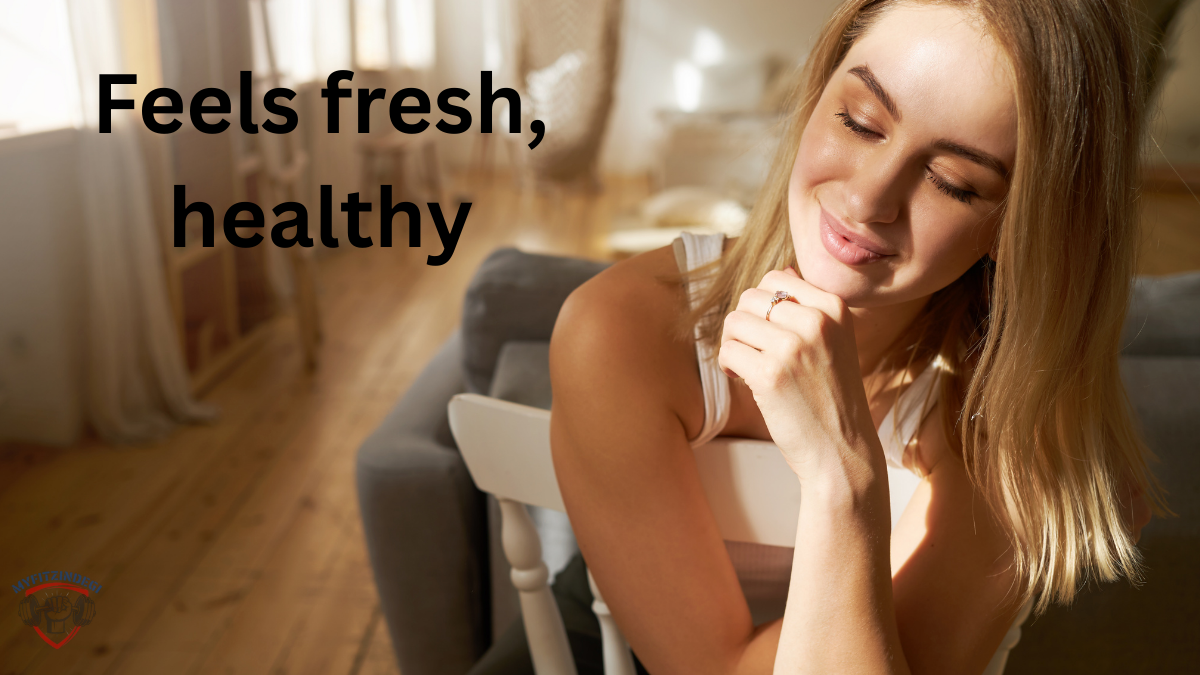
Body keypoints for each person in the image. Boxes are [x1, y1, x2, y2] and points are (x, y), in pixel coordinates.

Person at [469, 0, 1161, 673]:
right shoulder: (618, 330)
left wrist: (841, 478)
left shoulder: (1017, 421)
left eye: (953, 182)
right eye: (860, 122)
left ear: (1023, 226)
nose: (868, 199)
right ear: (817, 92)